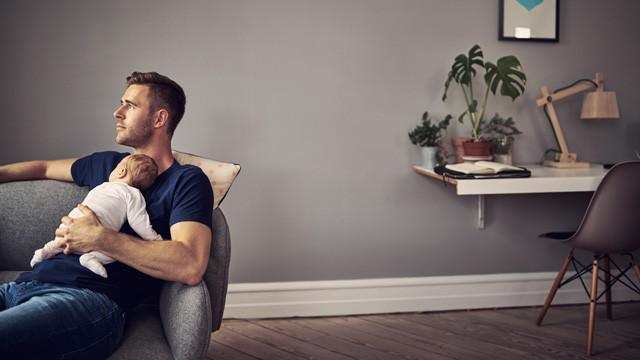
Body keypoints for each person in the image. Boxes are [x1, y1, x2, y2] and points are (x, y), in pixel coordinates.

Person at [0, 71, 214, 359]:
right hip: (25, 285)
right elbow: (44, 167)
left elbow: (190, 264)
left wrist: (99, 238)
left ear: (159, 119)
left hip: (87, 301)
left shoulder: (186, 180)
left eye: (130, 105)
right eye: (121, 103)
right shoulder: (109, 164)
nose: (118, 112)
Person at [30, 154, 163, 278]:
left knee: (59, 241)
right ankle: (92, 258)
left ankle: (46, 250)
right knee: (117, 251)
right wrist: (154, 240)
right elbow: (138, 222)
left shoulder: (102, 186)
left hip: (71, 223)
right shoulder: (133, 194)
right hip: (94, 233)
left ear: (122, 172)